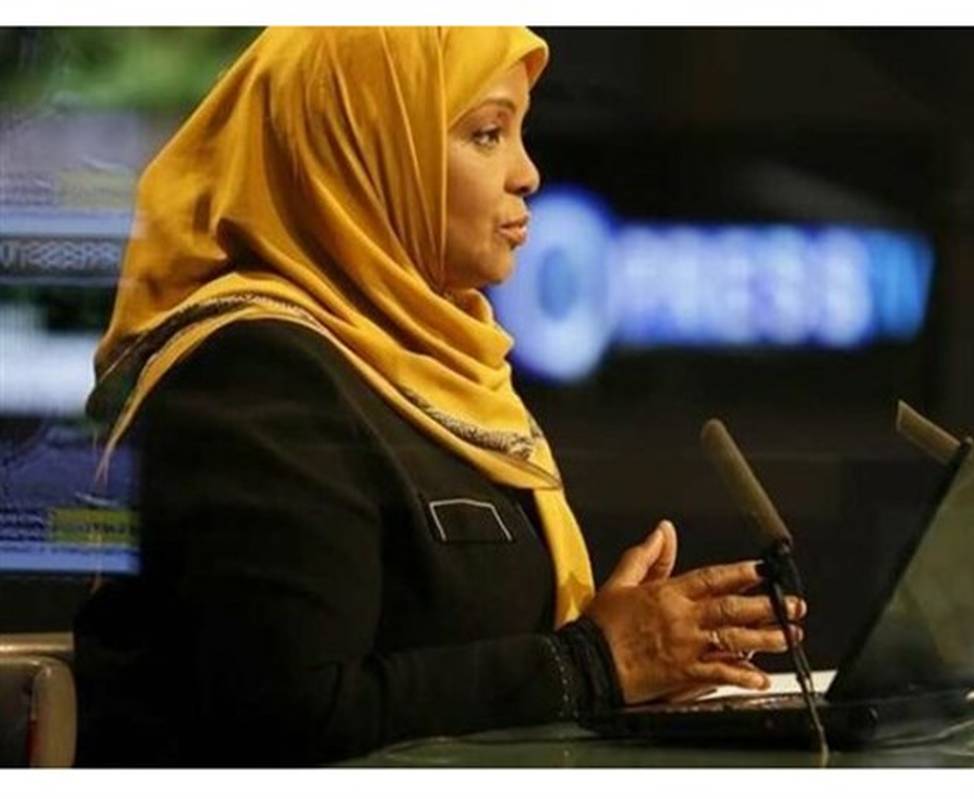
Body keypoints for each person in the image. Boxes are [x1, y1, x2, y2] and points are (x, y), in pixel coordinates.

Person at [72, 26, 805, 766]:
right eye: (487, 133)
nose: (528, 174)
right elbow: (287, 718)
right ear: (360, 151)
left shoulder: (437, 362)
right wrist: (595, 662)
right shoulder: (253, 373)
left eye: (519, 132)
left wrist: (618, 647)